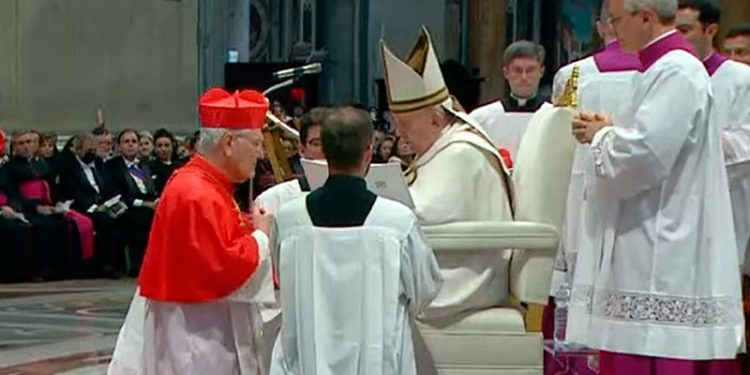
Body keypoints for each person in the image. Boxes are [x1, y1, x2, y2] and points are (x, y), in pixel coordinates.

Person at [567, 0, 744, 373]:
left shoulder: (676, 70)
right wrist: (613, 129)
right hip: (651, 230)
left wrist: (602, 135)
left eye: (617, 21)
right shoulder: (662, 68)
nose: (613, 32)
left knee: (652, 351)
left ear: (645, 17)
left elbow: (644, 155)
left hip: (662, 244)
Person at [107, 88, 275, 375]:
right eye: (257, 143)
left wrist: (248, 225)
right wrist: (261, 237)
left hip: (201, 325)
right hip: (198, 334)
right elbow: (222, 266)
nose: (260, 154)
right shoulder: (195, 193)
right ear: (229, 142)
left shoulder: (206, 184)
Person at [269, 107, 442, 375]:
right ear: (368, 153)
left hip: (306, 361)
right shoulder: (397, 222)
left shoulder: (290, 220)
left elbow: (282, 277)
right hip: (378, 362)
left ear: (325, 151)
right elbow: (425, 289)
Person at [380, 26, 513, 321]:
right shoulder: (442, 146)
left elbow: (428, 214)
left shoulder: (461, 152)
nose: (399, 134)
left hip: (464, 277)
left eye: (405, 124)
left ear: (436, 119)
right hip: (449, 259)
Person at [546, 0, 642, 338]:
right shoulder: (662, 71)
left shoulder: (573, 75)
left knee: (584, 262)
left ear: (604, 27)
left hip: (584, 182)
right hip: (640, 183)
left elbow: (559, 133)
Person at [500, 40, 549, 112]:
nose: (524, 77)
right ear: (506, 73)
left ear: (541, 72)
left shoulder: (553, 114)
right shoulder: (486, 116)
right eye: (517, 71)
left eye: (530, 71)